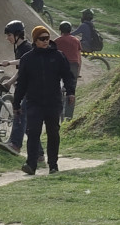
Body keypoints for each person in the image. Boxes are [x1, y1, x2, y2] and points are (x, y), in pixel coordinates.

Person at [13, 25, 75, 175]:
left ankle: (53, 165)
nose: (46, 41)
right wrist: (16, 103)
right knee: (33, 132)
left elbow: (68, 75)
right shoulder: (27, 59)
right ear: (35, 40)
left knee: (53, 133)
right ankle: (31, 165)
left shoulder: (58, 56)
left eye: (47, 38)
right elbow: (21, 83)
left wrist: (70, 92)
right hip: (34, 102)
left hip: (53, 102)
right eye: (42, 39)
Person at [0, 20, 35, 157]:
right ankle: (39, 154)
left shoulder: (27, 47)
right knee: (26, 123)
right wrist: (11, 82)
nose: (7, 38)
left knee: (19, 114)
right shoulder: (19, 48)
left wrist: (9, 63)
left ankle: (15, 145)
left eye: (9, 35)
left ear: (18, 34)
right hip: (25, 87)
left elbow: (24, 63)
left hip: (31, 88)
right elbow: (21, 71)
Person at [53, 21, 82, 120]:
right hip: (73, 66)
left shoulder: (57, 41)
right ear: (70, 30)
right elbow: (79, 57)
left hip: (60, 65)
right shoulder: (76, 41)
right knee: (71, 91)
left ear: (60, 30)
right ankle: (69, 117)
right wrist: (77, 72)